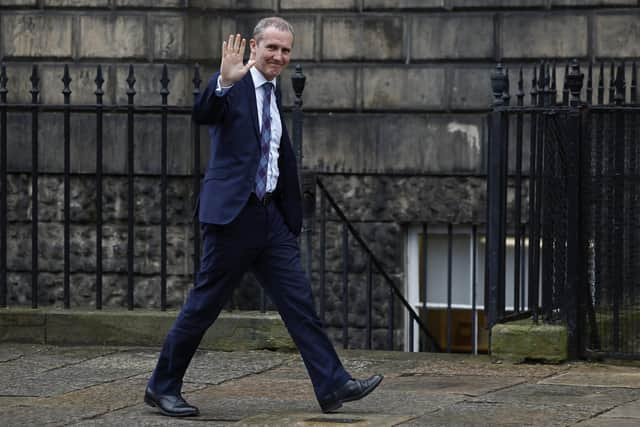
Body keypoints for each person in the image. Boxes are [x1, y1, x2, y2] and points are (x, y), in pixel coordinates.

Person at [144, 16, 382, 418]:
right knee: (203, 307)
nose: (279, 56)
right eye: (271, 47)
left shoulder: (273, 94)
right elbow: (203, 113)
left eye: (286, 50)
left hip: (269, 219)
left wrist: (290, 216)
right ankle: (161, 387)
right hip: (232, 219)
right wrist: (223, 82)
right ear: (253, 48)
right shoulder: (233, 87)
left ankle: (332, 383)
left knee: (299, 303)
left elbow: (274, 156)